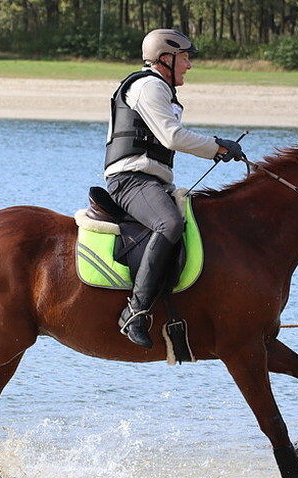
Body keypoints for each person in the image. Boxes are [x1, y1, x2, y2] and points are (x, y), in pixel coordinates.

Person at [104, 28, 245, 349]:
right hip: (131, 181)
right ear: (164, 59)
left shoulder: (160, 89)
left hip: (150, 181)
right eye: (185, 58)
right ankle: (135, 312)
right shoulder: (149, 86)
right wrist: (217, 147)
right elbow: (172, 137)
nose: (189, 66)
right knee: (169, 223)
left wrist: (217, 148)